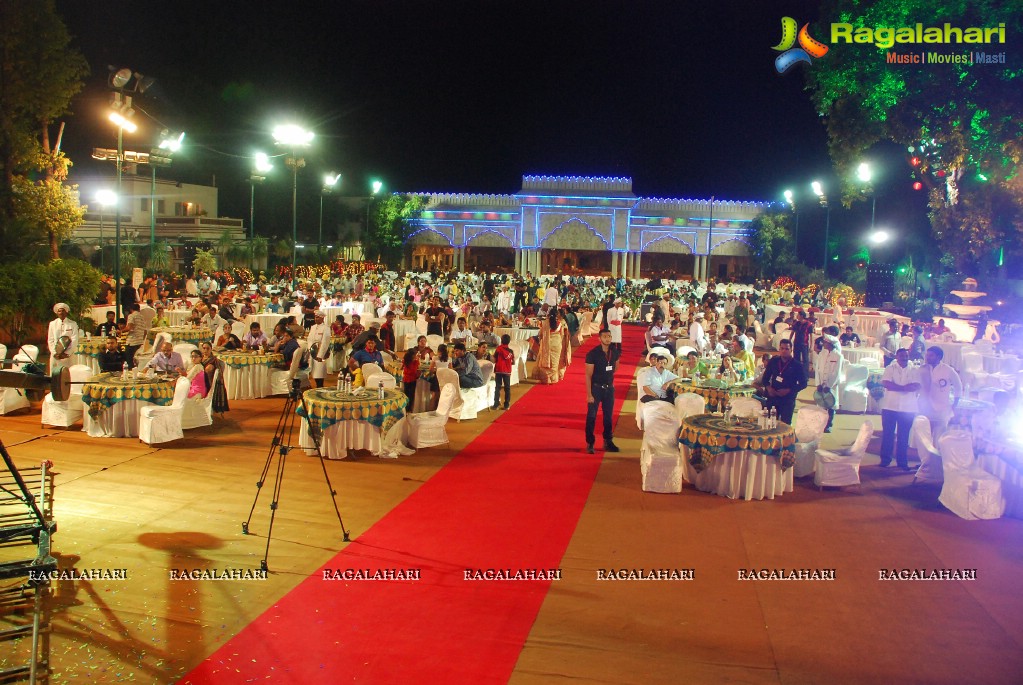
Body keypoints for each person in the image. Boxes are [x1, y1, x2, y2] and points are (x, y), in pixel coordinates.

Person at [879, 348, 920, 469]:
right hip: (889, 406)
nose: (904, 358)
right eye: (901, 356)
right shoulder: (890, 368)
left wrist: (896, 387)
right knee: (888, 435)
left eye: (906, 356)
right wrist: (904, 388)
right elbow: (886, 384)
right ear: (896, 357)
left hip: (908, 409)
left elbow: (916, 386)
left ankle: (902, 462)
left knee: (904, 436)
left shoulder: (914, 370)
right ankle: (885, 460)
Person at [584, 329, 620, 454]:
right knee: (592, 416)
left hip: (609, 388)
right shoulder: (592, 354)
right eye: (605, 336)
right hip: (596, 388)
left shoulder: (614, 351)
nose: (608, 339)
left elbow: (616, 367)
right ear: (599, 339)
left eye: (609, 336)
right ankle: (590, 442)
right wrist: (589, 394)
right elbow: (588, 375)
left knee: (608, 417)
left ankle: (608, 441)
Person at [756, 339, 807, 425]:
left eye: (786, 349)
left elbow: (803, 383)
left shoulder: (797, 365)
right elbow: (765, 378)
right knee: (770, 423)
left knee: (785, 424)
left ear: (791, 350)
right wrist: (769, 388)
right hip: (773, 397)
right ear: (779, 349)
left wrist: (789, 390)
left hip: (787, 399)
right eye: (782, 348)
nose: (784, 351)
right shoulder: (774, 361)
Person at [918, 345, 962, 441]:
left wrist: (954, 405)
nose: (927, 357)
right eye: (927, 355)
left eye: (931, 355)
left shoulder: (948, 370)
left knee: (940, 436)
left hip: (942, 408)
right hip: (925, 407)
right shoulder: (921, 369)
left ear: (938, 357)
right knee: (924, 435)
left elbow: (958, 387)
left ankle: (938, 454)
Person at [814, 334, 844, 432]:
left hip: (832, 385)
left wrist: (829, 386)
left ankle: (829, 424)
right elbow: (817, 369)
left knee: (831, 403)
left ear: (830, 344)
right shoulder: (822, 354)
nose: (824, 344)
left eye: (826, 342)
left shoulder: (838, 356)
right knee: (821, 403)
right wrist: (818, 383)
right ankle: (821, 423)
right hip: (821, 383)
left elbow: (836, 372)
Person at [535, 311, 572, 384]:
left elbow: (540, 334)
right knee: (555, 362)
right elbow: (562, 335)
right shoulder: (560, 323)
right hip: (557, 344)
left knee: (546, 361)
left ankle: (546, 379)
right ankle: (553, 379)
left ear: (548, 315)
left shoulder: (544, 323)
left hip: (547, 345)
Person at [47, 303, 80, 374]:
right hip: (56, 355)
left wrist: (67, 353)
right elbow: (50, 340)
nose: (61, 313)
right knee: (55, 375)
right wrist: (55, 353)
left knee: (68, 374)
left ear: (66, 312)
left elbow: (74, 340)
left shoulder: (73, 324)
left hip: (68, 356)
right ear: (57, 312)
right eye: (59, 311)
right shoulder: (52, 324)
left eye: (63, 311)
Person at [199, 341, 229, 414]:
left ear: (211, 349)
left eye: (207, 348)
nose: (205, 350)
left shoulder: (214, 361)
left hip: (208, 384)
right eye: (204, 348)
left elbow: (208, 373)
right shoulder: (200, 358)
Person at [307, 312, 332, 388]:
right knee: (313, 372)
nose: (316, 319)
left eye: (318, 317)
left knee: (320, 373)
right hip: (312, 351)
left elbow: (325, 342)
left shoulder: (326, 328)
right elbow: (309, 339)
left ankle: (320, 387)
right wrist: (310, 350)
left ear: (322, 318)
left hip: (321, 352)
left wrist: (320, 355)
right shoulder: (313, 327)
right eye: (315, 317)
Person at [492, 333, 514, 410]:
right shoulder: (511, 351)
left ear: (501, 341)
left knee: (497, 387)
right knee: (507, 388)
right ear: (509, 342)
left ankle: (496, 404)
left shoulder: (498, 349)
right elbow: (513, 362)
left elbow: (494, 359)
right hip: (507, 371)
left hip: (498, 370)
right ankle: (506, 404)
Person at [123, 303, 148, 369]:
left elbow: (129, 327)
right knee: (136, 362)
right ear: (139, 309)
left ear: (131, 309)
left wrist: (120, 331)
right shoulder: (142, 317)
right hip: (140, 342)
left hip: (132, 342)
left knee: (130, 361)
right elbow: (145, 331)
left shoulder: (131, 316)